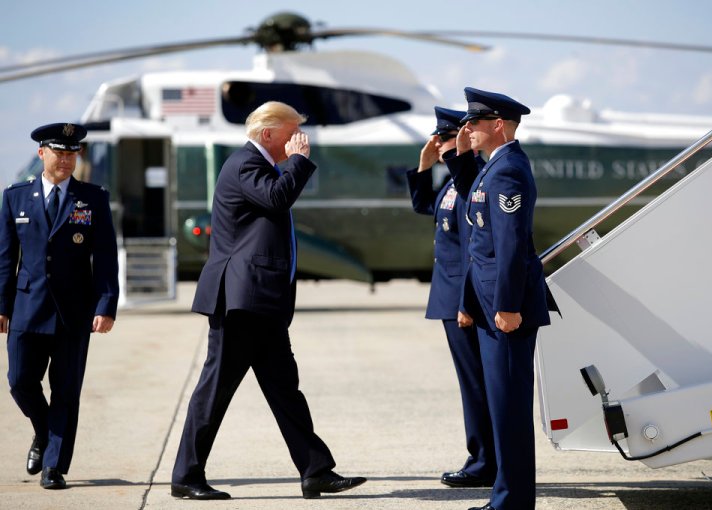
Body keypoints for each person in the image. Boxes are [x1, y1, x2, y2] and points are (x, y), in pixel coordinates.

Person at [171, 101, 366, 501]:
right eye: (292, 133)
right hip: (241, 303)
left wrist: (291, 163)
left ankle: (316, 471)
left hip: (262, 302)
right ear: (267, 134)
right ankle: (186, 476)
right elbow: (277, 199)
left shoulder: (261, 165)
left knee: (285, 390)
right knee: (215, 390)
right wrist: (297, 163)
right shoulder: (246, 164)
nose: (299, 141)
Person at [0, 122, 119, 490]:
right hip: (26, 308)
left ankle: (54, 466)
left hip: (74, 311)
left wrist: (106, 304)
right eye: (59, 152)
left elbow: (105, 257)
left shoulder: (93, 198)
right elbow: (6, 259)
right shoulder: (15, 197)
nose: (67, 159)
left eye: (73, 153)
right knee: (20, 382)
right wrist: (2, 306)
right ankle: (42, 431)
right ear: (42, 154)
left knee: (66, 391)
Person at [450, 88, 553, 510]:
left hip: (505, 310)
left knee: (509, 409)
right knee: (500, 404)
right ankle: (504, 498)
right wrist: (469, 302)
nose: (467, 129)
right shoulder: (494, 167)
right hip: (490, 305)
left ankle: (511, 502)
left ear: (497, 125)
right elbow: (477, 231)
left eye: (474, 123)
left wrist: (507, 306)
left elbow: (509, 246)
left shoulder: (508, 170)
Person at [405, 107, 496, 488]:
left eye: (442, 141)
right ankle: (483, 458)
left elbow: (471, 250)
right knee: (471, 383)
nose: (437, 146)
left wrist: (466, 304)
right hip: (450, 296)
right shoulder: (454, 183)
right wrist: (424, 167)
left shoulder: (471, 180)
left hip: (463, 299)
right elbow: (427, 207)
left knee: (476, 385)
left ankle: (483, 462)